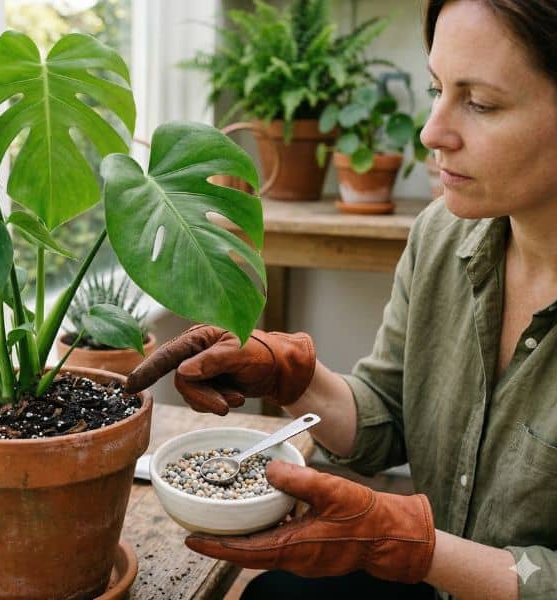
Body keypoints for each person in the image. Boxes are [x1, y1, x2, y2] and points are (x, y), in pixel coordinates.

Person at [125, 1, 557, 598]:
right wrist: (288, 377)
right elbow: (388, 413)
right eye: (436, 89)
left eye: (480, 103)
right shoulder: (444, 235)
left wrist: (402, 541)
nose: (432, 132)